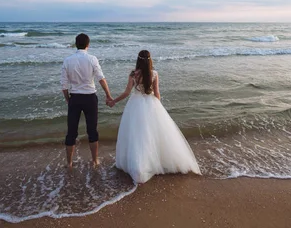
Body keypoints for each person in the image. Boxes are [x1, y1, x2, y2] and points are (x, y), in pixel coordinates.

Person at [108, 50, 201, 183]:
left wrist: (113, 101)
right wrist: (159, 108)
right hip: (151, 104)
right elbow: (157, 93)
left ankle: (139, 165)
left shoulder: (133, 74)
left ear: (138, 60)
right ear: (150, 60)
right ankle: (155, 161)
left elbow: (127, 92)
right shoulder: (154, 74)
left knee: (137, 135)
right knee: (153, 134)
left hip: (135, 105)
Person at [61, 33, 112, 168]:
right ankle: (95, 161)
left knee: (71, 131)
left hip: (75, 98)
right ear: (88, 45)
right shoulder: (92, 59)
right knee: (92, 130)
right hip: (90, 98)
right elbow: (101, 78)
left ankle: (69, 163)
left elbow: (64, 86)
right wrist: (108, 95)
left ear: (75, 44)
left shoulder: (67, 60)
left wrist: (68, 100)